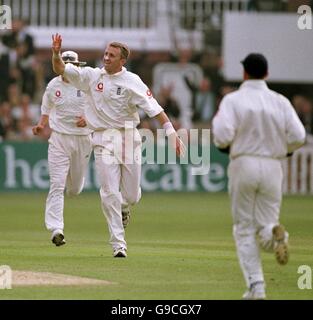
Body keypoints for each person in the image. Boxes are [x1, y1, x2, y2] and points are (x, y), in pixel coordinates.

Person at [50, 34, 186, 258]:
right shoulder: (92, 76)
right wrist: (56, 53)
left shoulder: (132, 81)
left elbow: (155, 109)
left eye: (111, 56)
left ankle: (125, 206)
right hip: (102, 139)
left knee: (131, 195)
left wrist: (172, 133)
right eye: (105, 54)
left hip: (128, 137)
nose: (106, 58)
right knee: (109, 192)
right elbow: (61, 70)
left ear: (122, 60)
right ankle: (118, 244)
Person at [212, 53, 306, 300]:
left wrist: (229, 144)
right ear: (266, 74)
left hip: (243, 163)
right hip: (274, 165)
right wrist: (283, 149)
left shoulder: (233, 100)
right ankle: (278, 235)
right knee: (264, 225)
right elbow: (298, 136)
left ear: (244, 73)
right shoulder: (280, 101)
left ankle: (257, 287)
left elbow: (221, 135)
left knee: (244, 229)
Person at [32, 50, 92, 247]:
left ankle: (73, 185)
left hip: (82, 139)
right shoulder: (53, 85)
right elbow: (46, 107)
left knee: (74, 190)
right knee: (56, 185)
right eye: (63, 63)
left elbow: (100, 107)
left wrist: (89, 119)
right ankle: (56, 229)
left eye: (70, 64)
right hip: (59, 139)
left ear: (77, 66)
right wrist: (41, 124)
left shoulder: (86, 84)